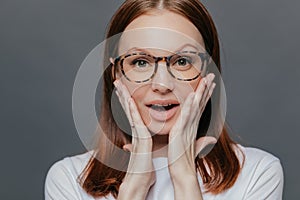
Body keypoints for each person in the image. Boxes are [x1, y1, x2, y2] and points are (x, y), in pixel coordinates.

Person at [44, 0, 284, 199]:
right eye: (140, 62)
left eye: (182, 61)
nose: (161, 85)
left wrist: (185, 176)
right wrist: (135, 187)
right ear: (116, 73)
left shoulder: (258, 173)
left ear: (209, 70)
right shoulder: (70, 179)